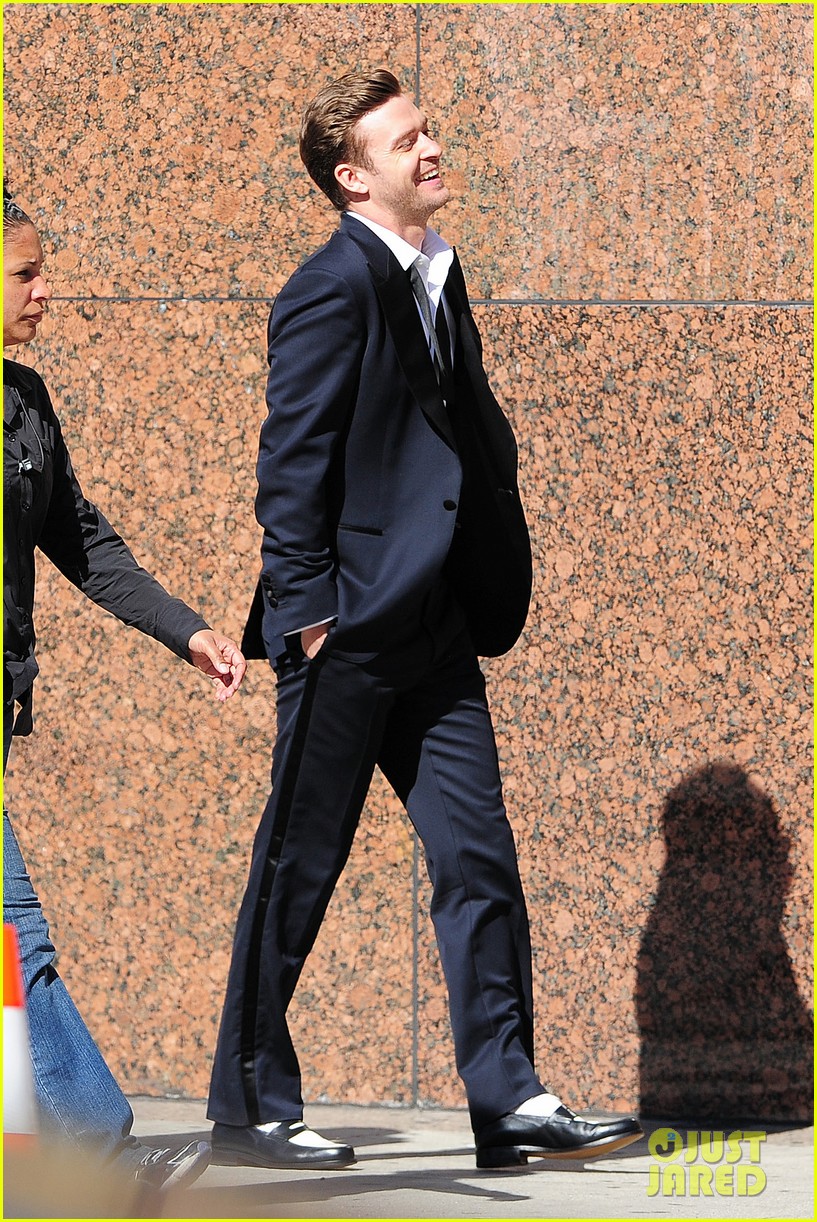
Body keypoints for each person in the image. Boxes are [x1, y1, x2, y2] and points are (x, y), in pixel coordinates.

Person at [207, 70, 643, 1171]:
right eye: (405, 141)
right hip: (347, 630)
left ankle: (509, 1099)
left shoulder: (437, 271)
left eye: (428, 129)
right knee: (297, 869)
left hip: (437, 629)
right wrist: (308, 616)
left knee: (477, 858)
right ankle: (250, 1107)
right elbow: (290, 462)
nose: (431, 148)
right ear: (352, 177)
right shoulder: (330, 286)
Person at [3, 188, 246, 1194]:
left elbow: (83, 542)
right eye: (25, 274)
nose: (44, 291)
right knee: (16, 932)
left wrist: (186, 630)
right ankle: (98, 1156)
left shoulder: (24, 402)